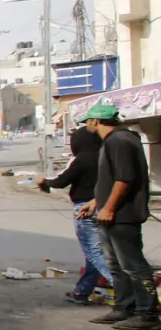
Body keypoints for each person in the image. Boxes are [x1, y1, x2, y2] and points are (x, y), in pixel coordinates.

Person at [77, 103, 158, 330]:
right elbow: (112, 181)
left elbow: (125, 179)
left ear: (96, 121)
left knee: (133, 264)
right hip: (110, 214)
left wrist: (110, 207)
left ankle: (147, 313)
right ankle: (125, 307)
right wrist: (96, 203)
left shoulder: (120, 141)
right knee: (116, 265)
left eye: (88, 121)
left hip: (123, 215)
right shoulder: (113, 142)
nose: (87, 125)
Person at [39, 126, 112, 304]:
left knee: (94, 253)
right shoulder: (107, 155)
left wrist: (45, 182)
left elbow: (62, 181)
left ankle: (127, 290)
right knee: (94, 253)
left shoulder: (83, 159)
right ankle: (82, 292)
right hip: (105, 206)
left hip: (85, 210)